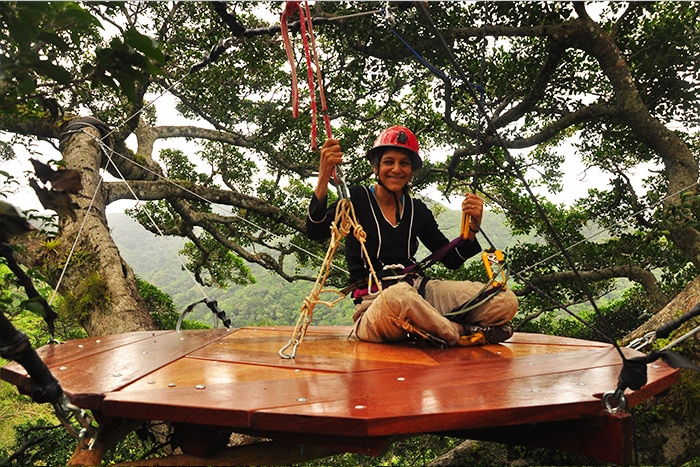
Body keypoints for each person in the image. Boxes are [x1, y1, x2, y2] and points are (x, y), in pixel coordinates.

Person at [306, 126, 518, 346]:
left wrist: (472, 228)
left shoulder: (417, 210)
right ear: (376, 167)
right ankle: (460, 332)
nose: (396, 169)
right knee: (400, 297)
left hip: (419, 290)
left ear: (411, 170)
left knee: (504, 300)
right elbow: (315, 231)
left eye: (404, 163)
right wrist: (324, 175)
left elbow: (451, 259)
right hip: (375, 304)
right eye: (389, 162)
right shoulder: (357, 199)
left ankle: (434, 327)